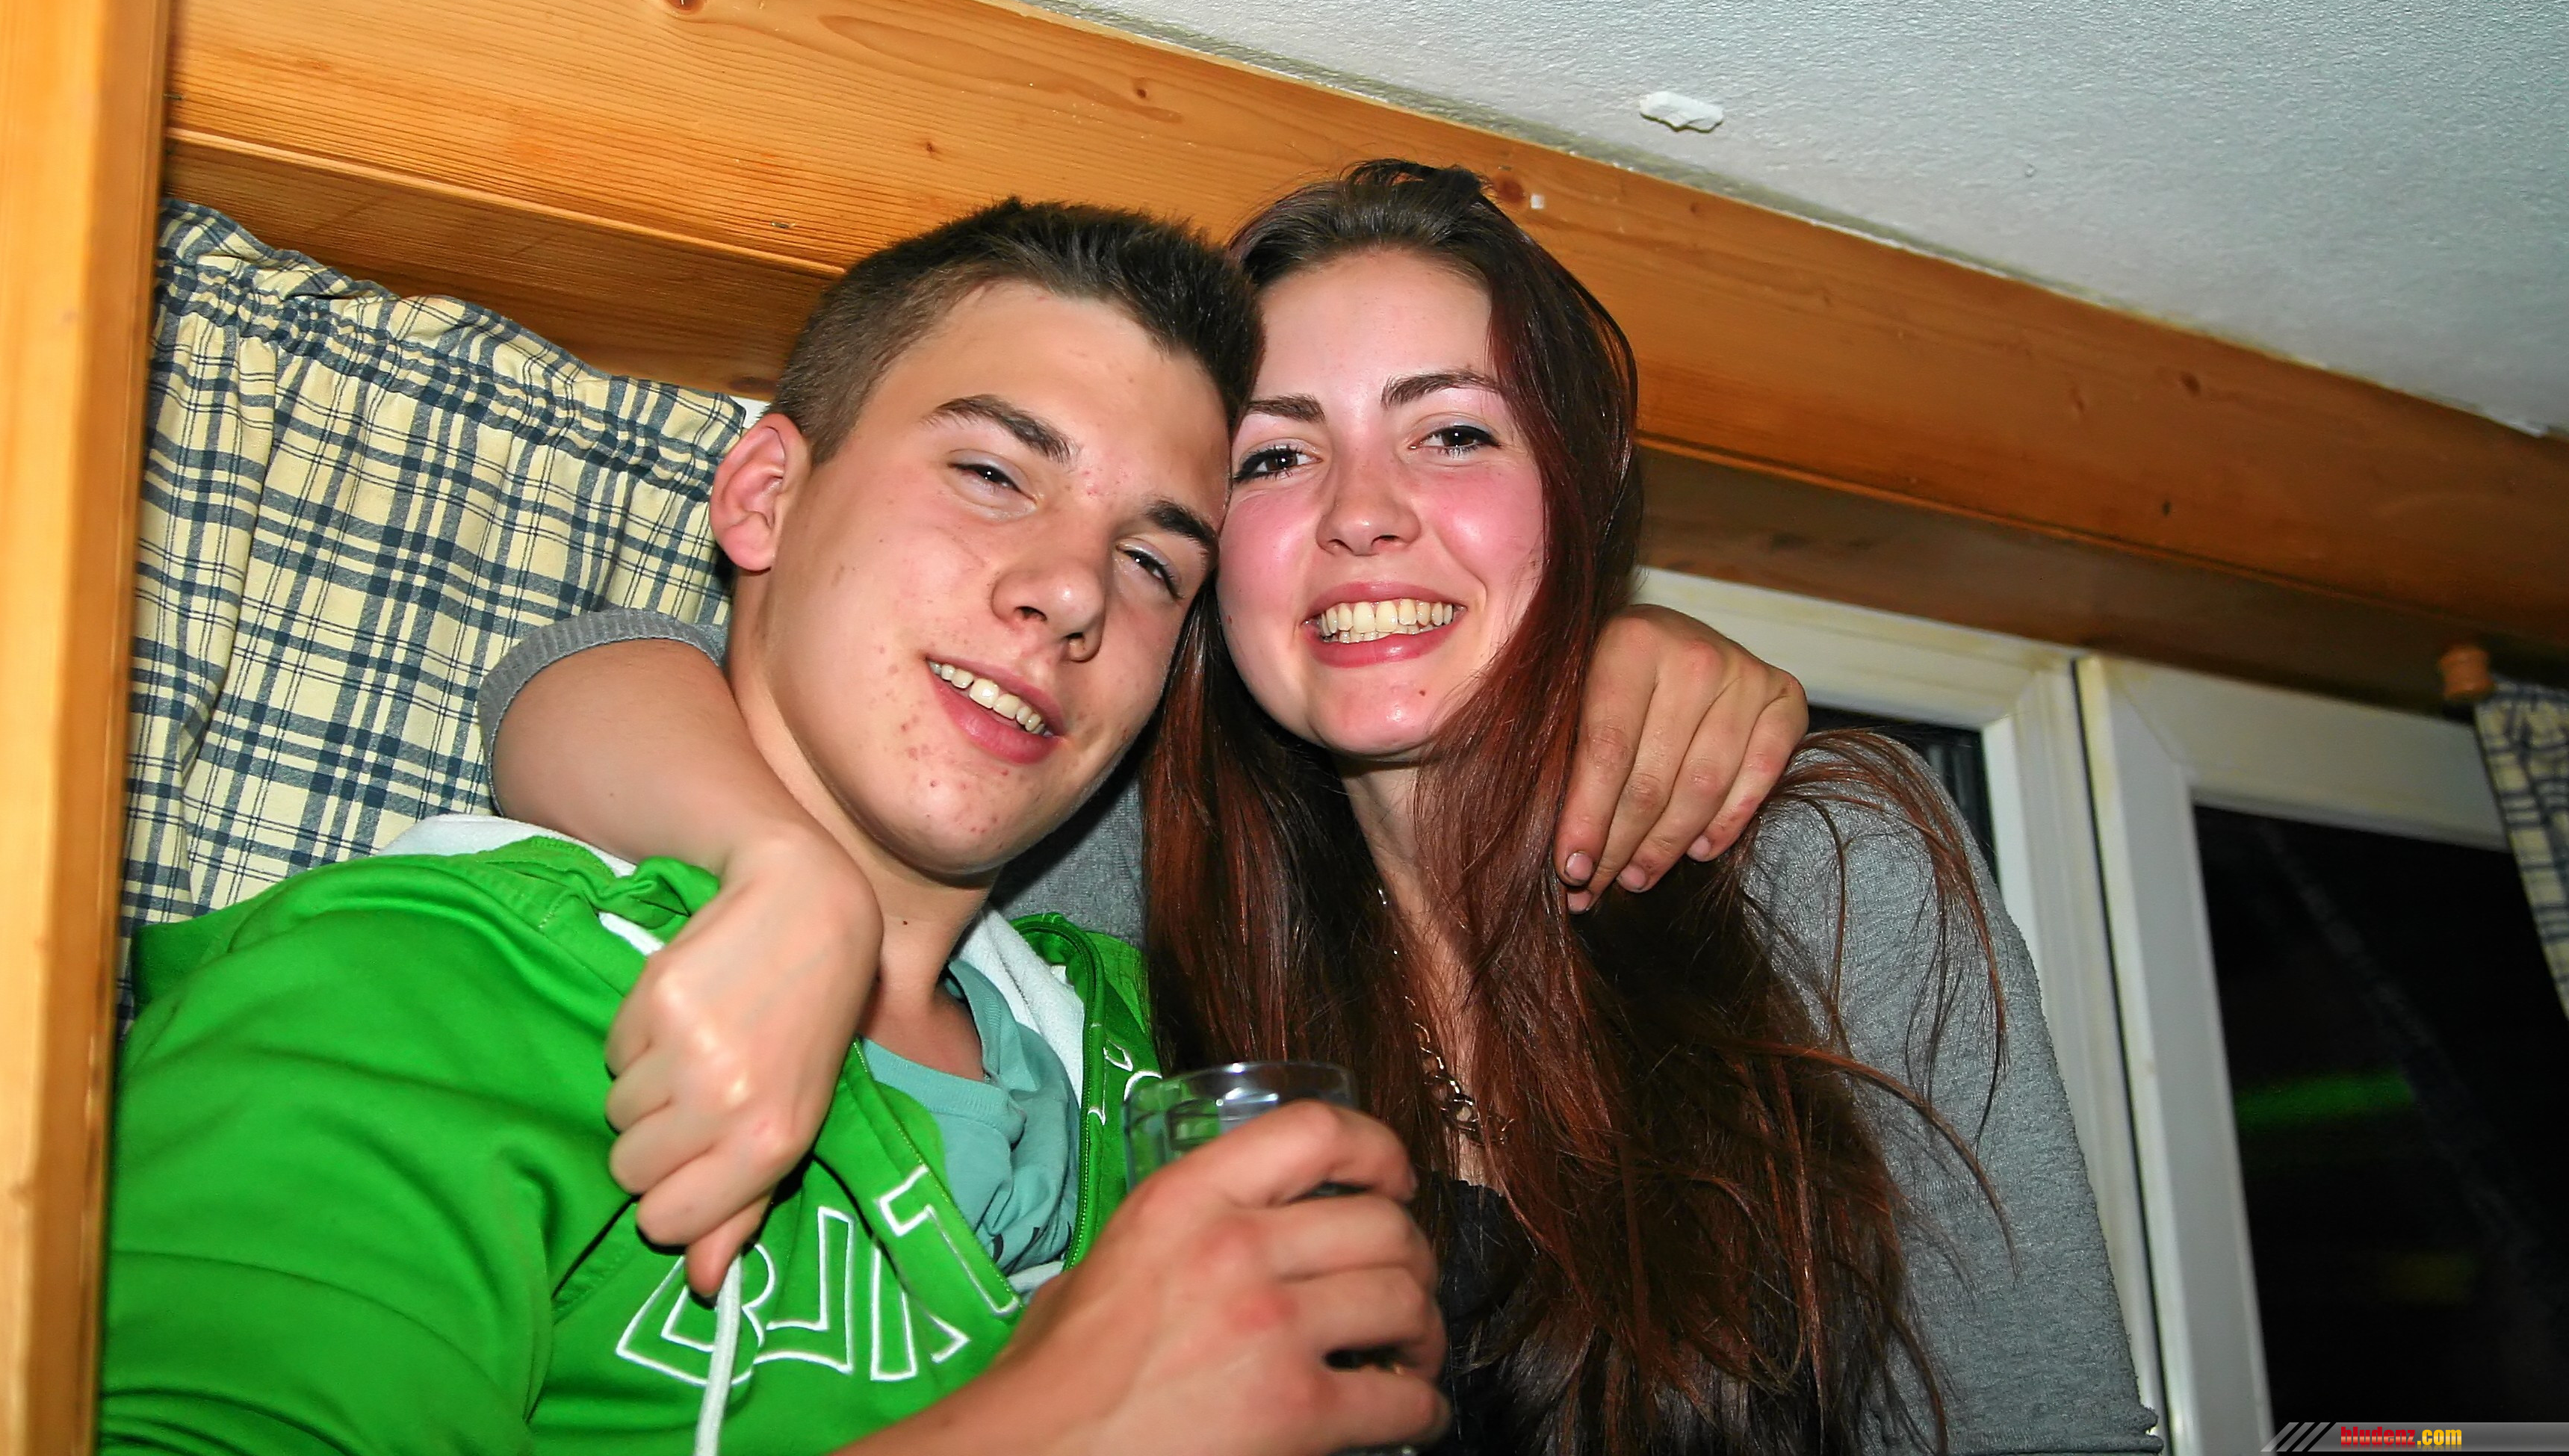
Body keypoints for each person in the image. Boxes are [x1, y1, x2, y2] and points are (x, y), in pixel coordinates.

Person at [493, 164, 2163, 1455]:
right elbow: (574, 673)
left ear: (1577, 506)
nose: (1365, 514)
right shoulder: (1123, 879)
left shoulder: (1804, 861)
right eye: (1278, 461)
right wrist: (788, 878)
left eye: (1453, 434)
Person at [99, 201, 1448, 1456]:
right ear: (762, 498)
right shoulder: (417, 992)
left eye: (1153, 562)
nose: (1073, 591)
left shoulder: (1161, 1042)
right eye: (992, 473)